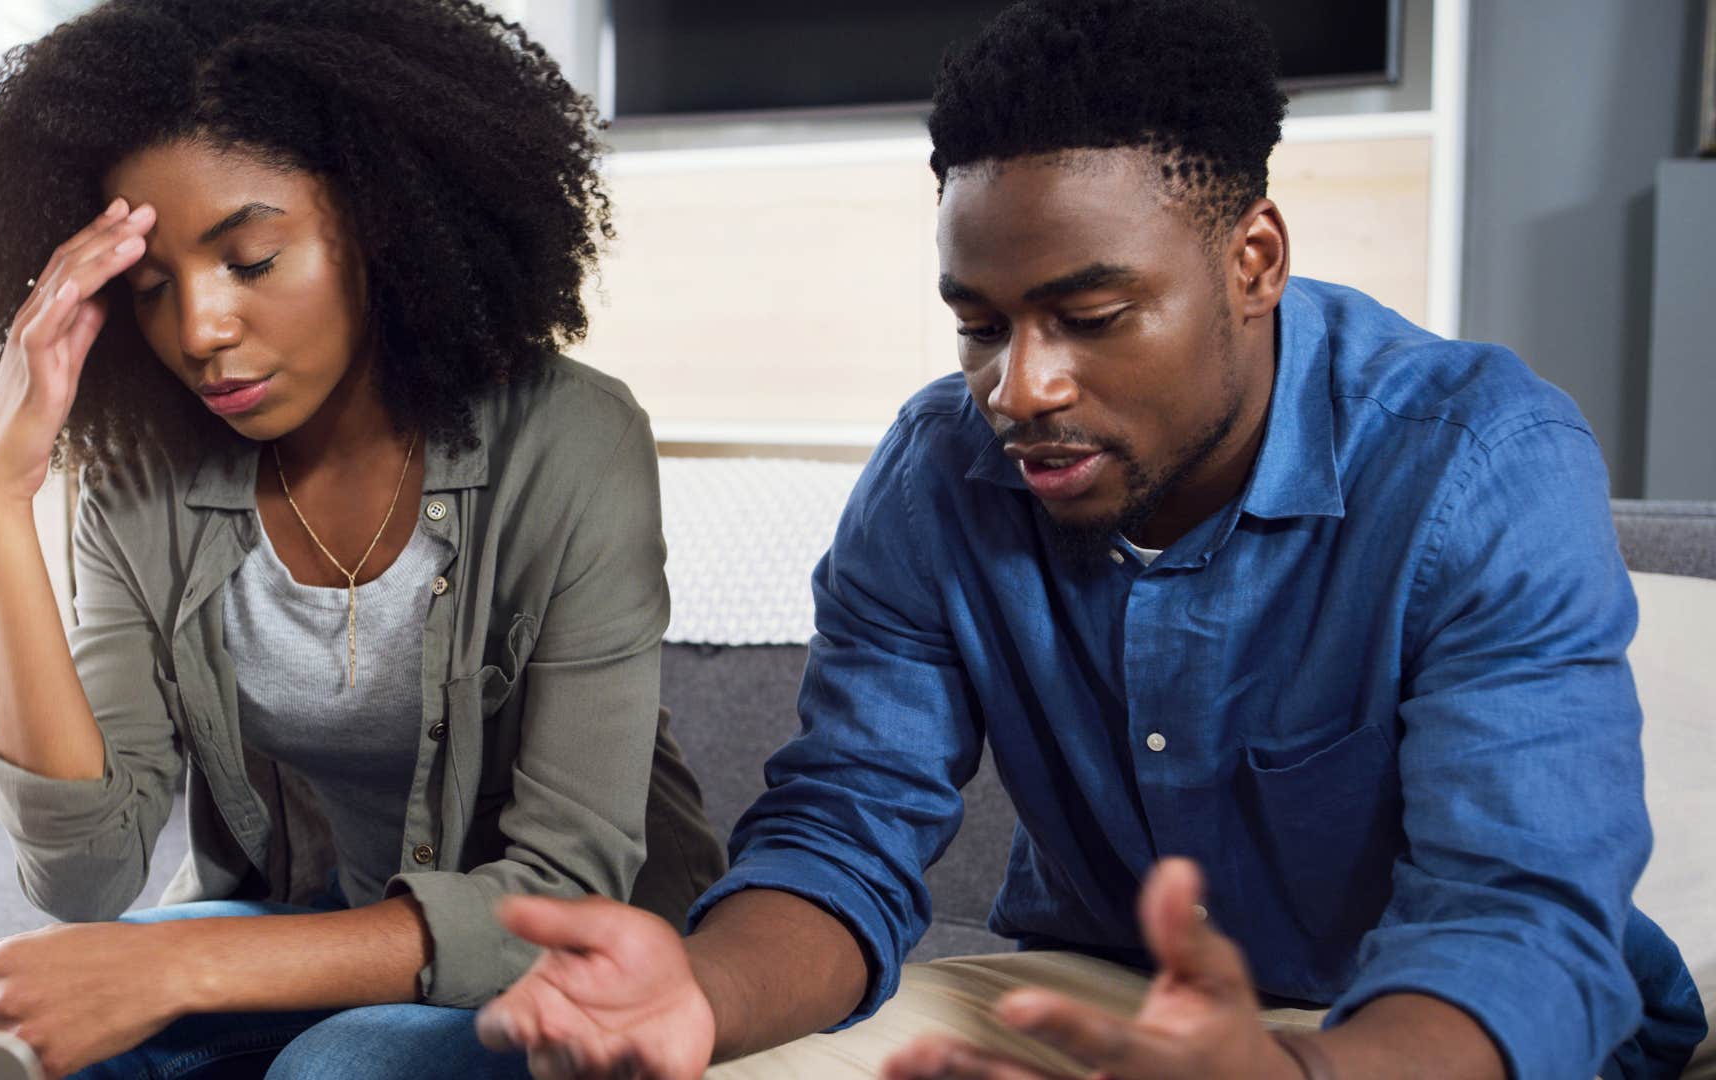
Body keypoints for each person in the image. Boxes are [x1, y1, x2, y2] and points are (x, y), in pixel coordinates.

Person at [474, 1, 1708, 1078]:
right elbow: (844, 829)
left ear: (1255, 260)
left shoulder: (1480, 463)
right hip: (1100, 998)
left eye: (1091, 316)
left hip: (1433, 1030)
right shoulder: (937, 472)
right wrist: (700, 993)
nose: (1021, 388)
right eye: (980, 326)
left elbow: (1518, 919)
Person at [0, 1, 724, 1076]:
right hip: (295, 927)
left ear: (383, 221)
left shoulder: (570, 442)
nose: (199, 331)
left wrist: (182, 972)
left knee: (338, 1069)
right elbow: (85, 881)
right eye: (152, 287)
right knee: (11, 1039)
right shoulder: (148, 475)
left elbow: (564, 888)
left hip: (574, 969)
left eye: (250, 260)